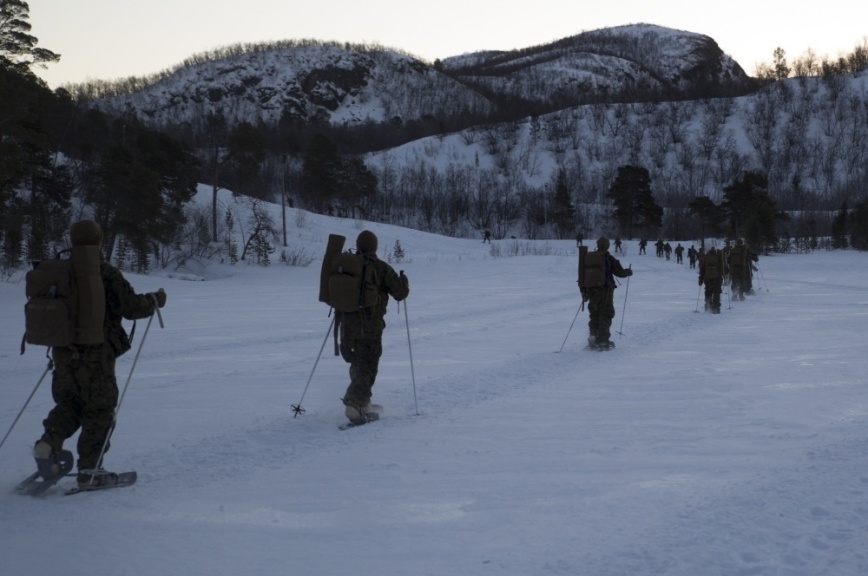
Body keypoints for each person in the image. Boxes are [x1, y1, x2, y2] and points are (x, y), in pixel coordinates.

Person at [33, 220, 166, 489]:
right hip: (95, 357)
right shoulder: (105, 273)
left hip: (62, 353)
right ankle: (90, 471)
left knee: (69, 405)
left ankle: (48, 443)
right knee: (100, 409)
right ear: (99, 241)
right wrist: (155, 300)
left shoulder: (60, 272)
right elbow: (132, 307)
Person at [339, 230, 410, 425]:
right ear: (375, 247)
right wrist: (404, 280)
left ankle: (363, 403)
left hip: (346, 326)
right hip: (369, 327)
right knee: (368, 366)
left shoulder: (346, 266)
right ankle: (354, 405)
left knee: (357, 363)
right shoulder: (381, 268)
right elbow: (400, 293)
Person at [580, 236, 633, 350]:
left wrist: (584, 290)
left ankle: (593, 335)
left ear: (597, 245)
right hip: (605, 290)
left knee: (594, 313)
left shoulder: (589, 257)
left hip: (591, 290)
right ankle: (603, 341)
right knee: (606, 313)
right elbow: (620, 273)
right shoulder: (609, 258)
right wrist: (628, 272)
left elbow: (583, 273)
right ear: (607, 246)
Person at [698, 246, 724, 314]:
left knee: (708, 292)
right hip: (717, 277)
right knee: (716, 292)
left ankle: (708, 306)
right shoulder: (718, 256)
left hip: (707, 278)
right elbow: (722, 267)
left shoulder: (706, 257)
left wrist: (701, 278)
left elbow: (702, 268)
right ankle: (716, 308)